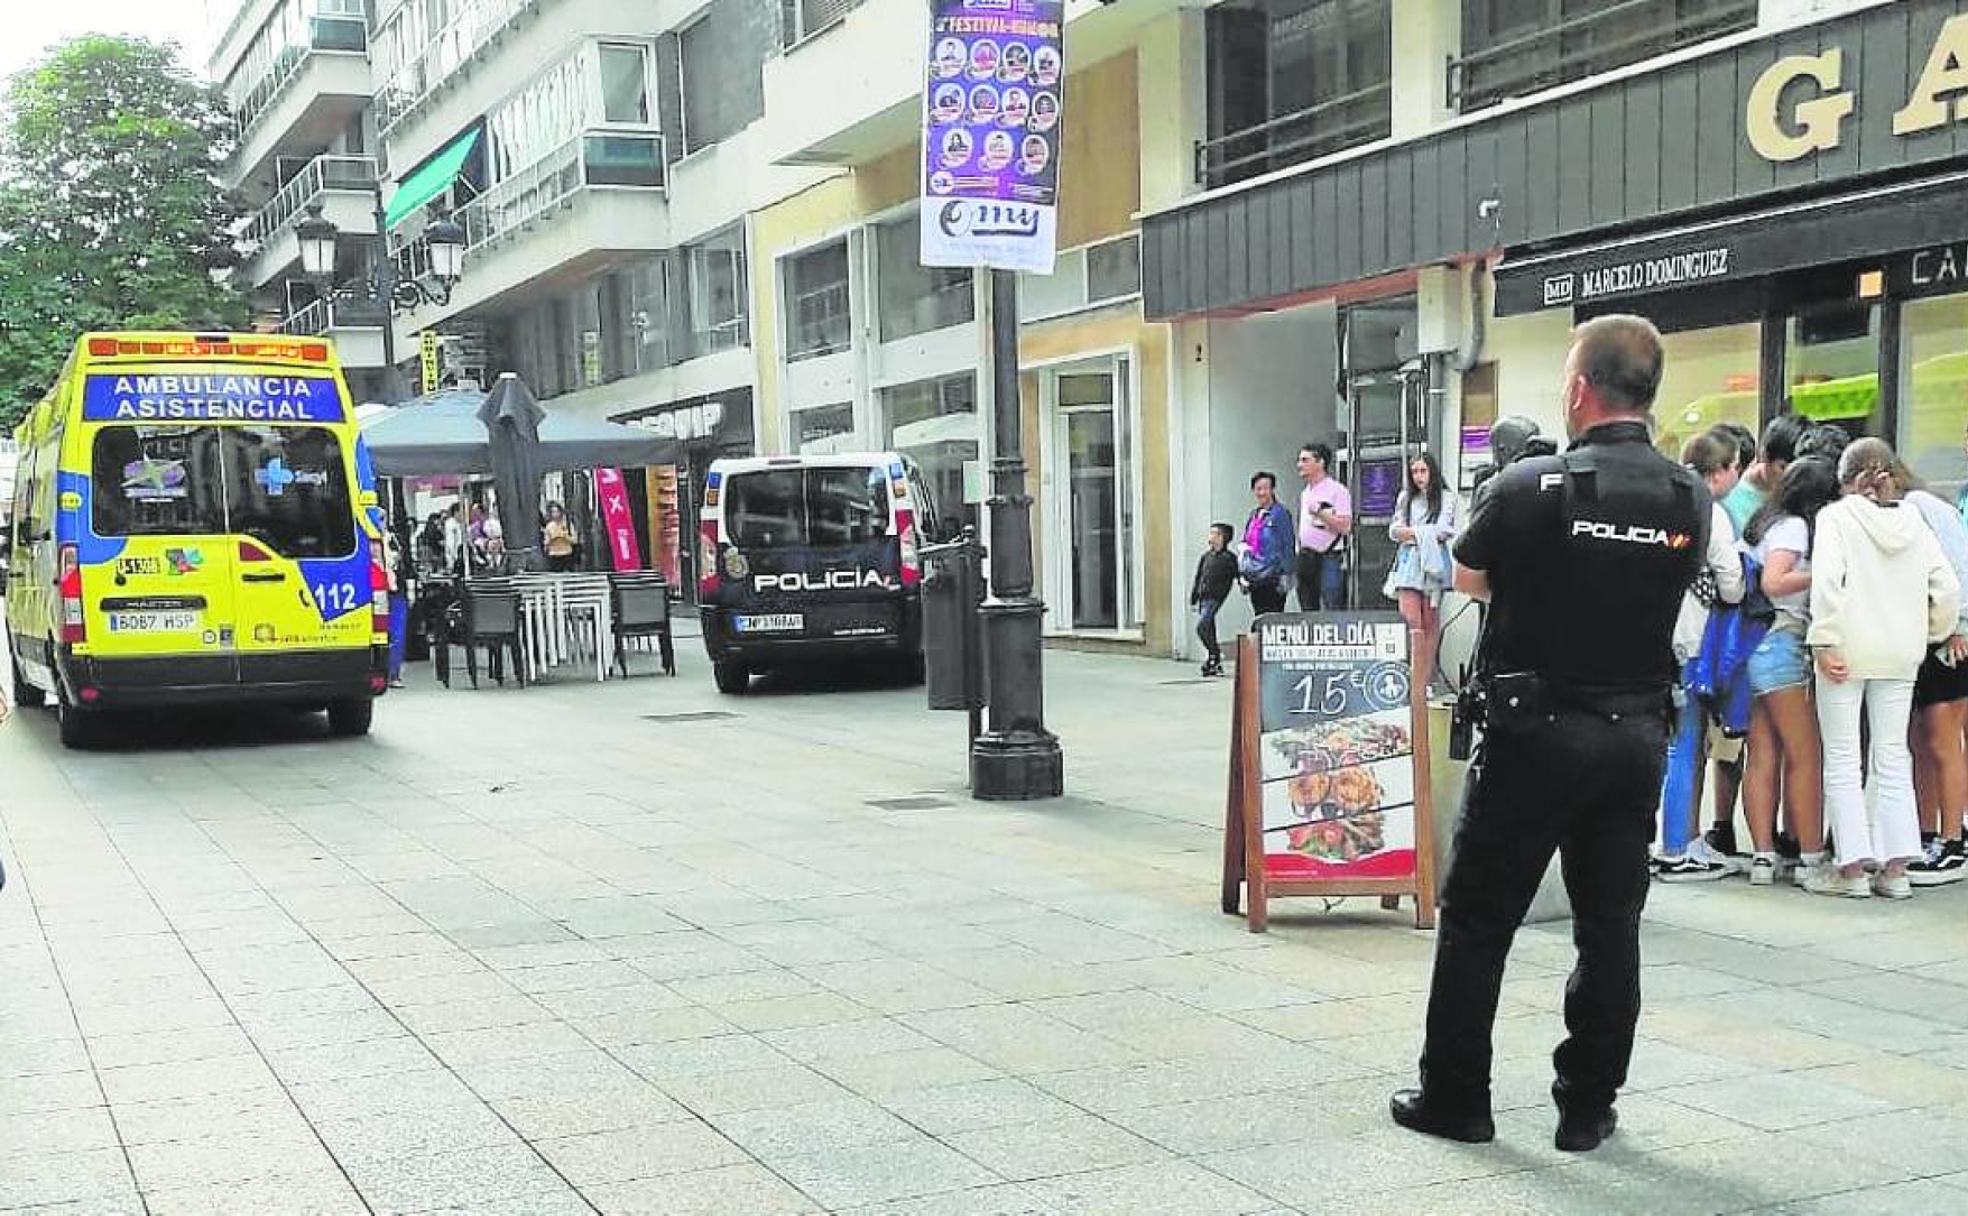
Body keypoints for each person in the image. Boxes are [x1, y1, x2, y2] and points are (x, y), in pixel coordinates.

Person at [1392, 315, 1706, 1154]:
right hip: (1637, 734)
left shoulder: (1533, 487)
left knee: (1479, 918)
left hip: (1537, 732)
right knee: (1611, 927)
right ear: (1650, 390)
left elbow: (1467, 577)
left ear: (1577, 390)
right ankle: (1586, 1105)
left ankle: (1457, 1096)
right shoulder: (1688, 496)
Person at [1805, 439, 1960, 899]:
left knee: (1843, 758)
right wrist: (1931, 629)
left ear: (1845, 479)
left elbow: (1828, 580)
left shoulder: (1835, 518)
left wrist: (1824, 637)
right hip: (1901, 652)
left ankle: (1851, 868)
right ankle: (1895, 870)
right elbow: (1947, 586)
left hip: (1846, 649)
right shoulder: (1914, 520)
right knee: (1893, 756)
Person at [1737, 458, 1840, 885]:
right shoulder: (1795, 528)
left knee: (1762, 753)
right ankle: (1812, 858)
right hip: (1781, 643)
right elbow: (1775, 582)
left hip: (1754, 643)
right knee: (1805, 754)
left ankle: (1763, 855)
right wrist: (1821, 572)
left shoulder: (1767, 520)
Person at [1655, 431, 1747, 880]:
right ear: (1719, 471)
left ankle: (1654, 842)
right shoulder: (1708, 509)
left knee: (1658, 743)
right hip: (1690, 638)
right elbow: (1730, 579)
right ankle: (1675, 846)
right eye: (1735, 468)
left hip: (1648, 633)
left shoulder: (1658, 494)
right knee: (1684, 741)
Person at [1894, 450, 1968, 884]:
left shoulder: (1919, 509)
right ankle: (1928, 831)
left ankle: (1952, 839)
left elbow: (1958, 569)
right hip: (1928, 634)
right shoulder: (1924, 506)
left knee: (1942, 740)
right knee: (1924, 739)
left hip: (1946, 637)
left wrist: (1959, 623)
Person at [1385, 452, 1462, 688]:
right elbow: (1394, 530)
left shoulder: (1447, 498)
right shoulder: (1406, 498)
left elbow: (1443, 530)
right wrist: (1417, 534)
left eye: (1423, 471)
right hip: (1409, 561)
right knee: (1410, 620)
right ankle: (1409, 676)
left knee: (1430, 620)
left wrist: (1413, 533)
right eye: (1414, 472)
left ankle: (1424, 679)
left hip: (1434, 561)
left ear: (1432, 471)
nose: (1418, 477)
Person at [1721, 413, 1805, 537]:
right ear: (1764, 455)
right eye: (1782, 467)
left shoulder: (1803, 496)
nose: (1791, 476)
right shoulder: (1729, 496)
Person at [1295, 441, 1352, 611]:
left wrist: (1321, 513)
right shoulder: (1305, 493)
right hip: (1306, 557)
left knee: (1332, 604)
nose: (1300, 465)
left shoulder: (1337, 491)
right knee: (1307, 606)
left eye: (1305, 460)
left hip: (1329, 557)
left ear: (1320, 462)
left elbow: (1346, 526)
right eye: (1300, 460)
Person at [1239, 472, 1294, 617]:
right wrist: (1243, 574)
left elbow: (1288, 543)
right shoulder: (1254, 515)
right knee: (1259, 617)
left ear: (1272, 490)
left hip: (1273, 577)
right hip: (1255, 577)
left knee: (1272, 619)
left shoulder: (1280, 513)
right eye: (1258, 488)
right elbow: (1246, 544)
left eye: (1265, 488)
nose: (1261, 492)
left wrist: (1287, 574)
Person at [1190, 523, 1238, 677]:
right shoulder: (1206, 557)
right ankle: (1214, 659)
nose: (1212, 537)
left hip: (1215, 597)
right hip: (1203, 596)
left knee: (1202, 626)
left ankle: (1215, 653)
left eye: (1216, 534)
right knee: (1209, 627)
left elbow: (1238, 573)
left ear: (1223, 538)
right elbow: (1199, 577)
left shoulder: (1228, 558)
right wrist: (1194, 596)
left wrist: (1244, 583)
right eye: (1211, 533)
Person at [381, 513, 408, 690]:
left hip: (395, 590)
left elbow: (405, 564)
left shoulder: (393, 540)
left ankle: (393, 673)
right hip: (379, 591)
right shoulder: (369, 541)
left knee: (397, 634)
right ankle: (385, 673)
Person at [543, 503, 579, 573]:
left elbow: (575, 540)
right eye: (553, 512)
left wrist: (565, 536)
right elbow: (546, 543)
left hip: (566, 554)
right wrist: (551, 539)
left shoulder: (568, 524)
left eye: (557, 511)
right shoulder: (549, 526)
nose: (555, 514)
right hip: (554, 555)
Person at [443, 503, 466, 574]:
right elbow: (450, 541)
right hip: (454, 553)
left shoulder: (462, 524)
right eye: (461, 512)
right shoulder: (450, 523)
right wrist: (454, 555)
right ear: (456, 512)